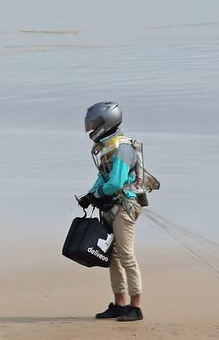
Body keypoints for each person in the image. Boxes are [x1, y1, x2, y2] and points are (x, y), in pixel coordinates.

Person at [77, 102, 144, 322]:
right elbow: (103, 177)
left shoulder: (123, 147)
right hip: (110, 205)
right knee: (112, 258)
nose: (91, 128)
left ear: (106, 123)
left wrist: (98, 195)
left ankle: (135, 307)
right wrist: (91, 194)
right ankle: (119, 304)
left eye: (94, 124)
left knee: (126, 256)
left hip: (124, 207)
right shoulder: (108, 146)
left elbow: (115, 182)